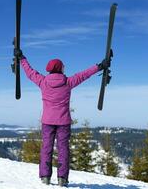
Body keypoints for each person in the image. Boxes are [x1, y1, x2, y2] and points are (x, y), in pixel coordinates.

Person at [15, 49, 110, 187]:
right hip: (63, 122)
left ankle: (45, 177)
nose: (65, 67)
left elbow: (30, 72)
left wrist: (22, 58)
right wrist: (99, 66)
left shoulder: (43, 81)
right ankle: (62, 179)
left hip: (47, 122)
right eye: (63, 66)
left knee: (46, 148)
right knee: (63, 149)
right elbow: (84, 75)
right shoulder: (68, 82)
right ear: (59, 68)